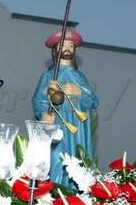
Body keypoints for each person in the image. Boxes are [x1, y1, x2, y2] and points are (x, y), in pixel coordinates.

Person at [32, 28, 98, 187]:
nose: (67, 49)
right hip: (58, 123)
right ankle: (55, 191)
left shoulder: (80, 77)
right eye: (63, 45)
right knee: (57, 159)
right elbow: (38, 101)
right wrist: (44, 114)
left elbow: (93, 102)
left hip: (77, 126)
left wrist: (79, 93)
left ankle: (77, 192)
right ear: (55, 49)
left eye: (71, 45)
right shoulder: (48, 76)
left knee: (76, 159)